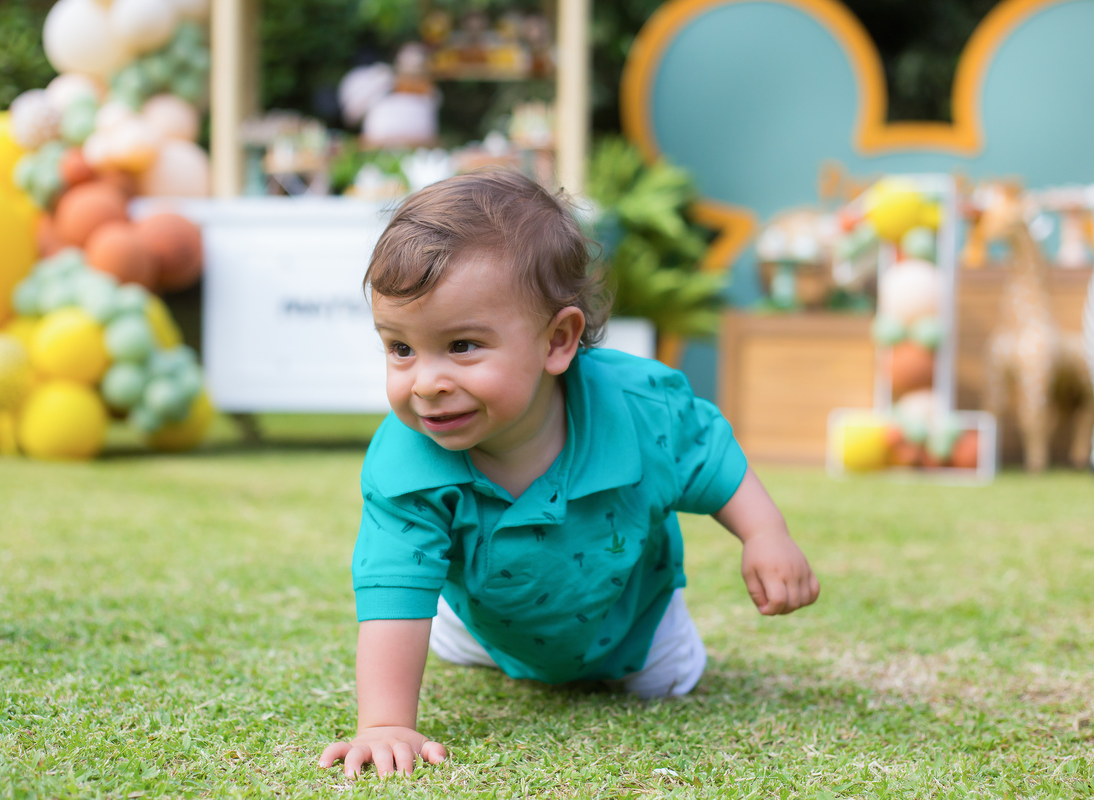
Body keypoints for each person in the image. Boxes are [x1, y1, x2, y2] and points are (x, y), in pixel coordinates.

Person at [319, 170, 820, 777]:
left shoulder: (640, 409)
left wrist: (765, 533)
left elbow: (706, 454)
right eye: (400, 348)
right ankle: (479, 639)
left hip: (635, 621)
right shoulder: (407, 464)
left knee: (671, 680)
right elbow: (396, 591)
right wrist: (384, 724)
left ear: (558, 340)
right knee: (446, 633)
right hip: (486, 622)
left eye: (462, 346)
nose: (426, 383)